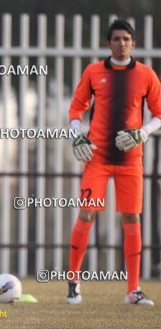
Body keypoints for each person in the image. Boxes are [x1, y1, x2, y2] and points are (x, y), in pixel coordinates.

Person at [68, 19, 161, 305]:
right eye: (116, 39)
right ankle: (73, 282)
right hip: (97, 158)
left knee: (132, 218)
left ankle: (133, 290)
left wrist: (142, 133)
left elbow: (159, 114)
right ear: (109, 43)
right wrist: (77, 136)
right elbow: (76, 109)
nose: (121, 43)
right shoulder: (94, 71)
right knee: (87, 214)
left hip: (131, 160)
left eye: (126, 39)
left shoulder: (146, 75)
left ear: (134, 43)